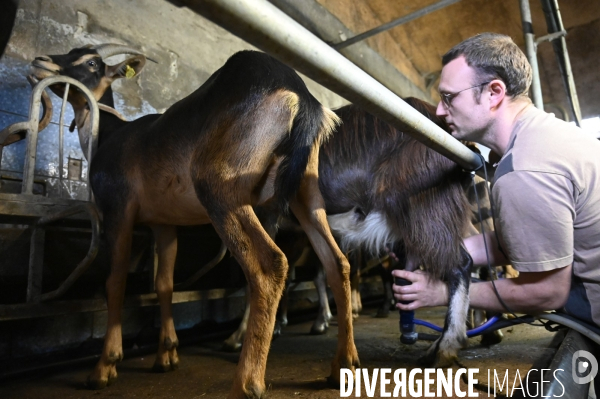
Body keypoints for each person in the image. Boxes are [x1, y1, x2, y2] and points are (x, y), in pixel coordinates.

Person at [392, 33, 600, 331]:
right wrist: (428, 249)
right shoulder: (546, 136)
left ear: (494, 93)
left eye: (449, 97)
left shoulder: (525, 169)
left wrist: (442, 292)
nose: (439, 110)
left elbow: (548, 291)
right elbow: (527, 242)